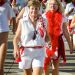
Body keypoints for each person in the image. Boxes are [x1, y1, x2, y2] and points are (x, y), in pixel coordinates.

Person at [13, 0, 47, 75]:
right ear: (28, 9)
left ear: (39, 9)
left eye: (36, 8)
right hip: (26, 51)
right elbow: (16, 38)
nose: (34, 10)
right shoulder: (22, 21)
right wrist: (16, 48)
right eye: (32, 8)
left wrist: (50, 43)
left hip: (39, 51)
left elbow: (47, 37)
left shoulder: (44, 21)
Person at [42, 0, 73, 75]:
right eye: (50, 4)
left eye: (54, 4)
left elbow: (65, 31)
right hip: (46, 43)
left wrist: (70, 45)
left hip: (58, 42)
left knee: (55, 66)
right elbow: (41, 31)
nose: (52, 6)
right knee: (45, 65)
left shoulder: (62, 16)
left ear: (58, 5)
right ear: (48, 5)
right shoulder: (43, 16)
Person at [0, 0, 15, 75]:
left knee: (3, 46)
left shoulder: (6, 6)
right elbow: (12, 17)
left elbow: (12, 17)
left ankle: (1, 68)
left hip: (3, 29)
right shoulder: (6, 6)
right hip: (4, 28)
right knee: (3, 45)